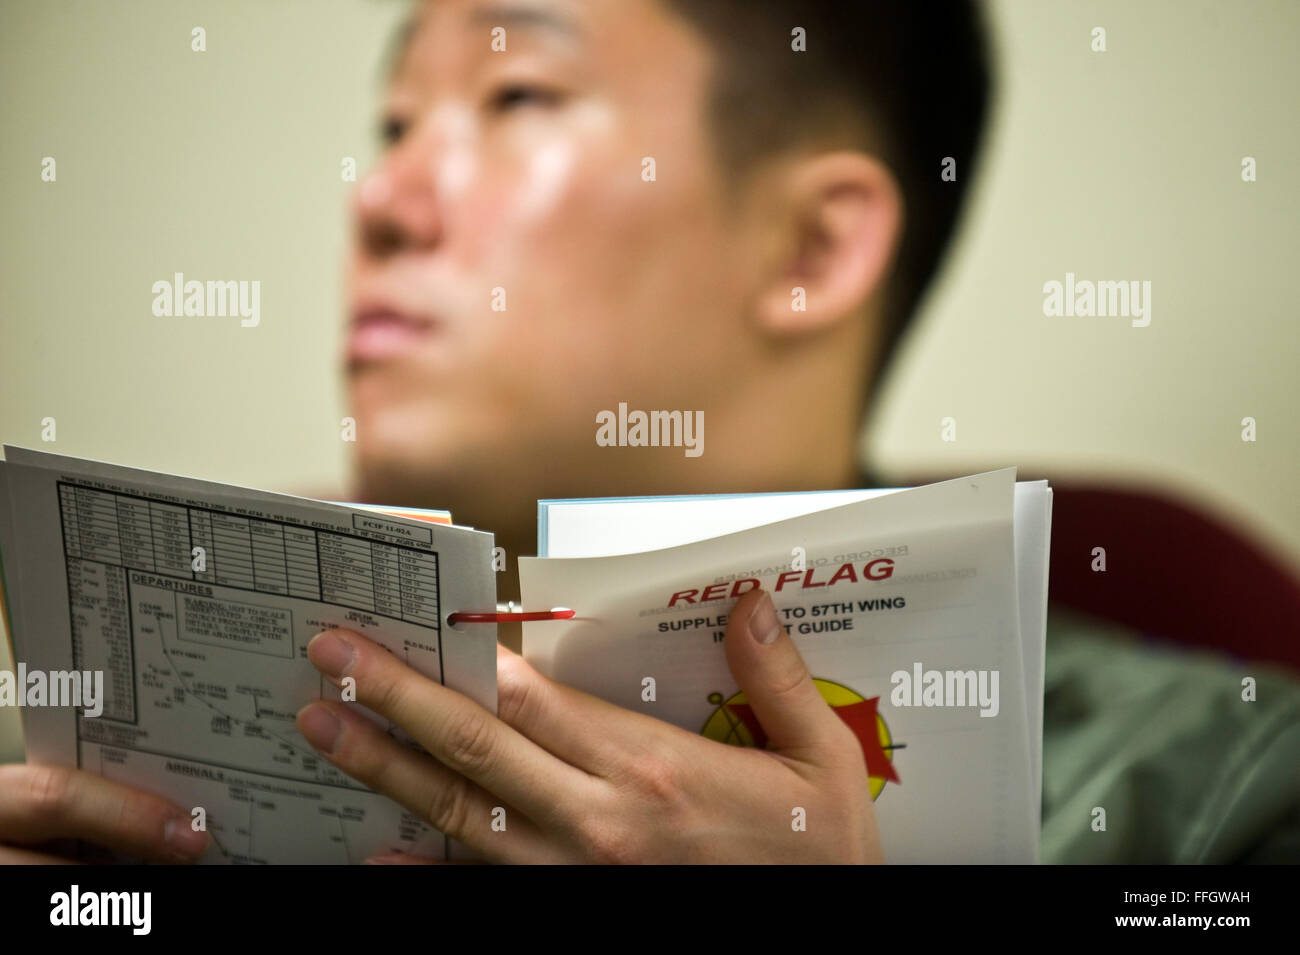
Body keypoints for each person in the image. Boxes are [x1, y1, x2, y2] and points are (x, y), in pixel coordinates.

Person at [2, 0, 1297, 864]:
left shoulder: (1231, 795)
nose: (382, 199)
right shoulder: (90, 746)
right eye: (392, 127)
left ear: (813, 245)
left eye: (515, 100)